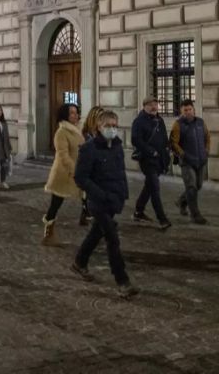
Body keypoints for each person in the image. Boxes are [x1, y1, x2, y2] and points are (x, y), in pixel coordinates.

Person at [71, 110, 137, 299]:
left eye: (115, 125)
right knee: (112, 239)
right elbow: (80, 177)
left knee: (96, 233)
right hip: (98, 202)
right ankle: (122, 281)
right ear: (99, 127)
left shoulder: (117, 146)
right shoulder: (89, 148)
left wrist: (123, 193)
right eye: (108, 126)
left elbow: (120, 172)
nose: (112, 129)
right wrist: (99, 194)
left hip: (113, 200)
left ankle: (79, 262)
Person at [41, 103, 84, 246]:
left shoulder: (77, 130)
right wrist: (76, 171)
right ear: (65, 115)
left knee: (89, 197)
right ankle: (48, 232)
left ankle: (95, 223)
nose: (75, 115)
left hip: (78, 173)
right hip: (64, 175)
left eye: (76, 112)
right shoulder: (61, 133)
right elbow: (64, 156)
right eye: (72, 113)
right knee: (55, 204)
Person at [131, 97, 172, 230]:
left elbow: (164, 140)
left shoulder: (159, 120)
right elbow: (135, 140)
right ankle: (162, 219)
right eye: (150, 105)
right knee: (154, 187)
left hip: (159, 160)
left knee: (149, 186)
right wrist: (150, 151)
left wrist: (166, 158)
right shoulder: (139, 121)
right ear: (144, 106)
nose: (154, 107)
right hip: (147, 160)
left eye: (155, 104)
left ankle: (138, 211)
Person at [170, 99, 210, 225]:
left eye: (190, 109)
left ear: (194, 109)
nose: (188, 112)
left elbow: (207, 137)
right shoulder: (178, 124)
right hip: (187, 162)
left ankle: (181, 201)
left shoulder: (200, 122)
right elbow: (173, 143)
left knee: (198, 185)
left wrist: (206, 151)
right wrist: (183, 154)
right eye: (185, 110)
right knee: (191, 187)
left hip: (201, 160)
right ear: (181, 111)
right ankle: (195, 215)